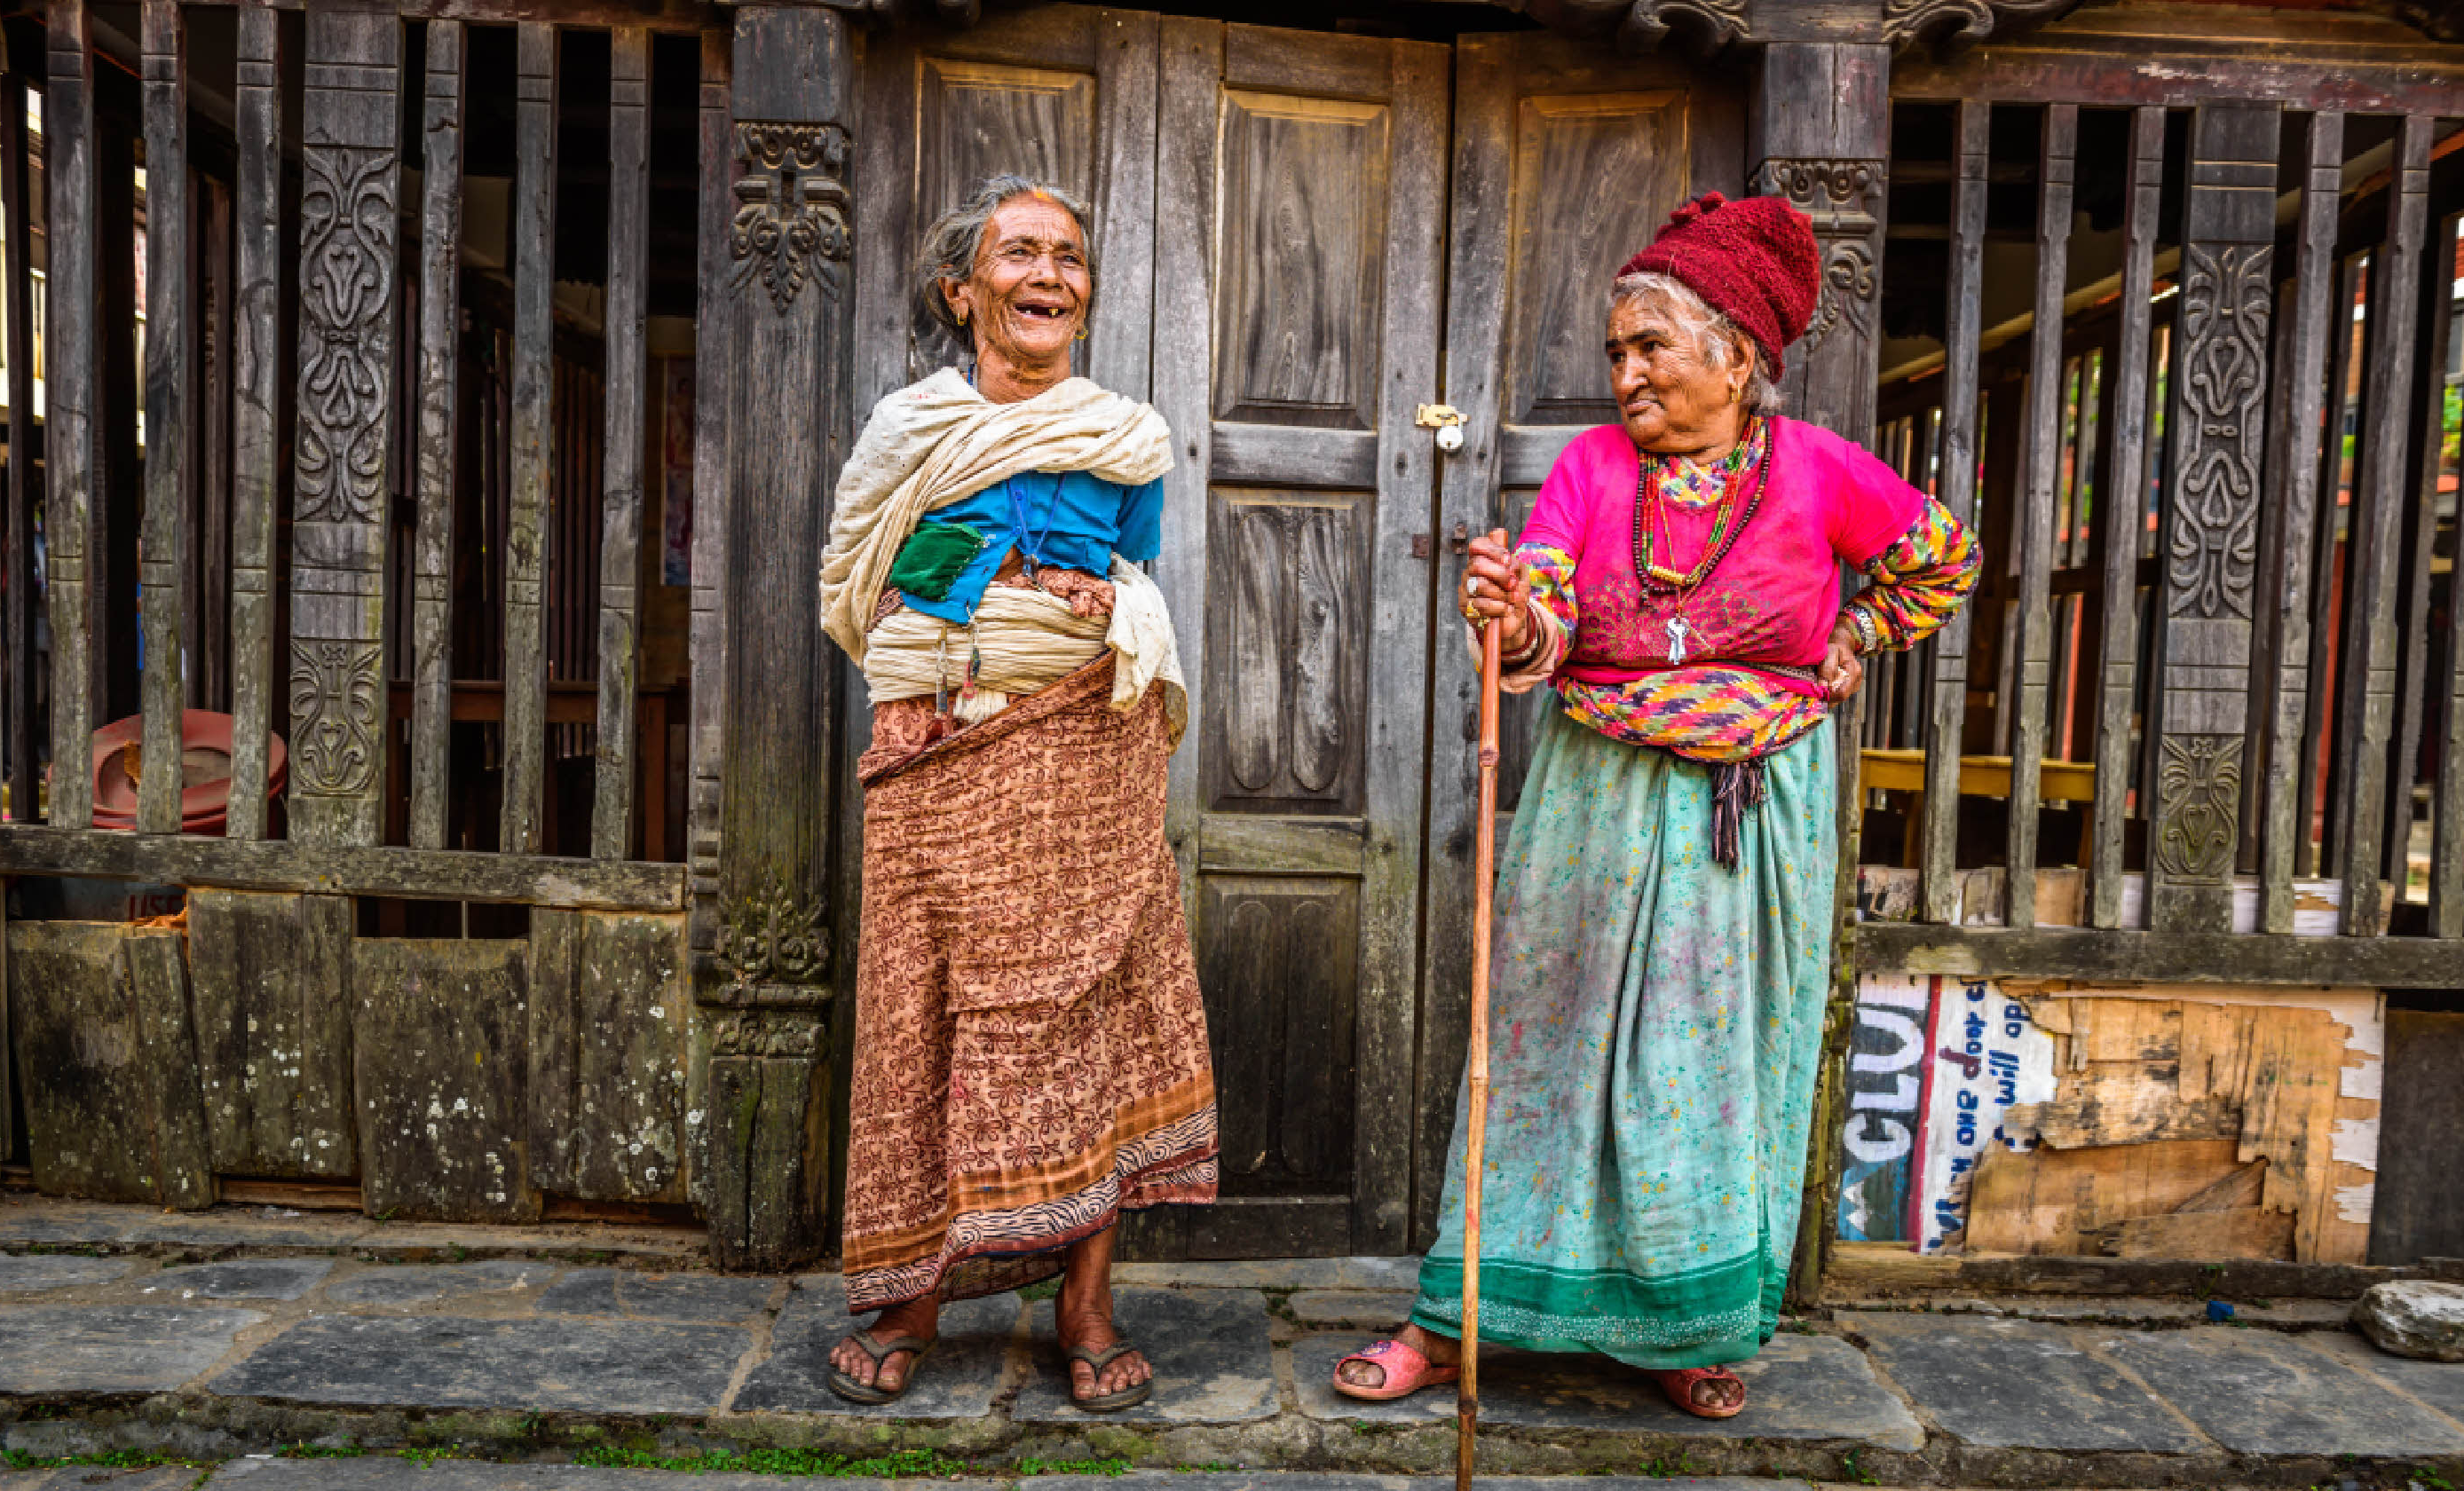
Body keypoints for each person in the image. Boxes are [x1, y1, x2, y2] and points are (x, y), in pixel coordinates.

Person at [1331, 192, 1979, 1419]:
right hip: (1601, 800)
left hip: (1755, 814)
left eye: (1651, 349)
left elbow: (1942, 556)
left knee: (1708, 1069)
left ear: (1737, 358)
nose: (1624, 373)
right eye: (1617, 349)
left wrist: (1857, 634)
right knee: (1544, 1051)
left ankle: (1688, 1328)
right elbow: (1550, 609)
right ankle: (1458, 1318)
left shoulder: (1818, 469)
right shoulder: (1590, 468)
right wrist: (1507, 608)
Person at [817, 174, 1218, 1414]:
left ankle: (1085, 1300)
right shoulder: (910, 431)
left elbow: (1137, 578)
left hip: (1086, 750)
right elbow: (862, 584)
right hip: (940, 745)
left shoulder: (1128, 436)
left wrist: (1109, 604)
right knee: (929, 1010)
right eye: (1021, 255)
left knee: (1088, 1004)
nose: (1049, 277)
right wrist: (971, 613)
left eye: (1070, 259)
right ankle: (919, 1289)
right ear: (963, 289)